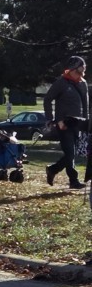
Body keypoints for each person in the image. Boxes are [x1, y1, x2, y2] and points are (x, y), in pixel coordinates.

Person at [43, 55, 88, 189]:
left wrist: (86, 123)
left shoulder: (83, 83)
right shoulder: (61, 82)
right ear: (73, 68)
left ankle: (53, 169)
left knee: (71, 153)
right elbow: (47, 100)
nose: (83, 70)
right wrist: (53, 120)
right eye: (81, 67)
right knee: (70, 152)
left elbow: (85, 105)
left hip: (78, 123)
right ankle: (73, 181)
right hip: (63, 124)